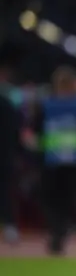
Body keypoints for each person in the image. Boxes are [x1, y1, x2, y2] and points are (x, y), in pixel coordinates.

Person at [36, 66, 76, 255]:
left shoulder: (48, 105)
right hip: (70, 160)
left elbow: (37, 130)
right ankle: (59, 232)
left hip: (55, 160)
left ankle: (57, 232)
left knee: (54, 200)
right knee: (64, 201)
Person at [0, 42, 21, 244]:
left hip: (5, 154)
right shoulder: (9, 102)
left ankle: (10, 227)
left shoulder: (9, 100)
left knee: (5, 191)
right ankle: (10, 228)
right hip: (6, 154)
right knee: (5, 192)